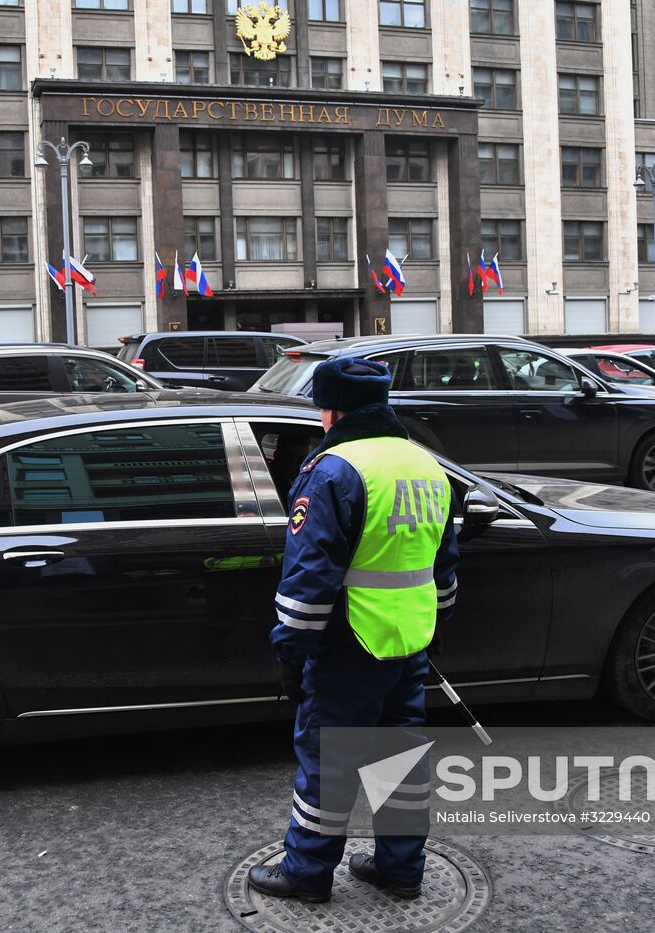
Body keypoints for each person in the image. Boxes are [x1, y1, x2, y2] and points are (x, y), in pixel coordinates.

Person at [248, 356, 460, 903]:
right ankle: (400, 869)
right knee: (401, 760)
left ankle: (307, 873)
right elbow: (444, 571)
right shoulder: (426, 466)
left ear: (331, 410)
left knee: (328, 762)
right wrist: (431, 634)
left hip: (349, 644)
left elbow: (309, 580)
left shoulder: (334, 471)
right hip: (408, 641)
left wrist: (290, 654)